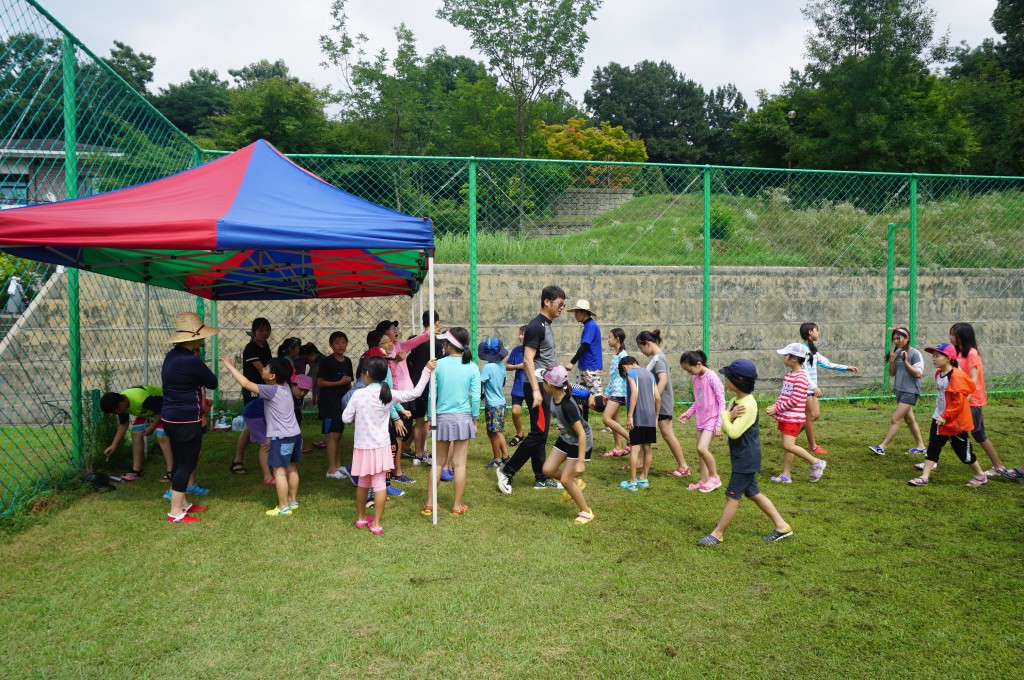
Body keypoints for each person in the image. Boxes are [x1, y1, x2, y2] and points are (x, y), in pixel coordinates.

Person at [696, 359, 793, 546]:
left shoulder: (748, 405)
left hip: (747, 458)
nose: (725, 379)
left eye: (728, 377)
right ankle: (782, 526)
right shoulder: (735, 401)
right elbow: (725, 429)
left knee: (732, 496)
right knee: (753, 493)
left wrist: (725, 415)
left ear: (738, 380)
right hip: (742, 456)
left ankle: (717, 534)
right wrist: (728, 416)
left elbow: (733, 431)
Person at [344, 355, 435, 534]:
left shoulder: (358, 394)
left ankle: (362, 518)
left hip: (362, 447)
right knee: (379, 485)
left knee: (363, 483)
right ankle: (376, 523)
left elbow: (345, 418)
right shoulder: (388, 394)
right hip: (381, 447)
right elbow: (415, 393)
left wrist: (358, 415)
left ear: (367, 374)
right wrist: (426, 370)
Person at [496, 285, 566, 494]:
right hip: (536, 387)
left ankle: (541, 478)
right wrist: (536, 391)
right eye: (559, 303)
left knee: (541, 434)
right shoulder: (536, 326)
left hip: (545, 386)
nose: (562, 307)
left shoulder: (546, 324)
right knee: (538, 433)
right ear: (547, 302)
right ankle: (507, 471)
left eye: (563, 304)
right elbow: (528, 359)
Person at [222, 356, 305, 516]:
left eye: (266, 367)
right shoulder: (286, 386)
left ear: (272, 376)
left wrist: (230, 366)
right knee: (292, 468)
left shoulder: (270, 390)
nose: (263, 369)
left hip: (281, 438)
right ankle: (293, 501)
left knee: (279, 472)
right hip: (296, 435)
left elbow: (246, 384)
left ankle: (283, 507)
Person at [161, 312, 218, 523]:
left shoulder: (172, 356)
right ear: (194, 338)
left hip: (170, 417)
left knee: (179, 461)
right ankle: (176, 511)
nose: (204, 340)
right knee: (187, 462)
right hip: (186, 419)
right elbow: (212, 382)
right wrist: (199, 364)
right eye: (201, 336)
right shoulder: (190, 360)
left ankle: (183, 502)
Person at [908, 343, 988, 488]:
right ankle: (924, 477)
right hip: (939, 418)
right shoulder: (938, 374)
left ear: (948, 358)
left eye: (937, 356)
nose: (934, 359)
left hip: (954, 421)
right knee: (933, 446)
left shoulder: (956, 376)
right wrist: (940, 415)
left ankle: (980, 475)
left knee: (963, 452)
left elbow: (958, 402)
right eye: (933, 356)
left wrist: (945, 416)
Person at [424, 328, 480, 517]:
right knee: (460, 464)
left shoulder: (438, 365)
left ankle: (430, 503)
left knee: (438, 463)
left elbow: (432, 394)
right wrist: (474, 419)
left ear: (448, 345)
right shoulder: (472, 366)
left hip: (441, 418)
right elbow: (477, 397)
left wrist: (430, 417)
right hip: (463, 418)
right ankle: (456, 506)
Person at [378, 319, 435, 484]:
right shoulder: (384, 354)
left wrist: (430, 332)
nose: (396, 330)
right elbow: (387, 379)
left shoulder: (400, 346)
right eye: (391, 328)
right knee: (397, 436)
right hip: (396, 398)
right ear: (382, 336)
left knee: (402, 435)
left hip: (408, 396)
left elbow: (416, 340)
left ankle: (394, 469)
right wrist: (395, 361)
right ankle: (396, 471)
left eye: (396, 327)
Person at [949, 323, 1009, 477]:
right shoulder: (958, 353)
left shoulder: (972, 353)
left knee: (978, 434)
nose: (951, 337)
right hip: (962, 399)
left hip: (972, 401)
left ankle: (999, 467)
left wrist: (965, 399)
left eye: (953, 334)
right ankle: (931, 459)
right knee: (948, 429)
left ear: (963, 336)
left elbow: (974, 380)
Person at [538, 365, 594, 525]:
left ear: (549, 385)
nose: (542, 384)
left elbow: (582, 434)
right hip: (566, 438)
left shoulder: (567, 405)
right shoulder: (554, 396)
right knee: (547, 469)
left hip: (579, 441)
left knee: (565, 479)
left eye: (543, 381)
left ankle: (586, 511)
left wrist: (581, 462)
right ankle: (576, 484)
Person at [766, 343, 827, 484]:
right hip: (786, 416)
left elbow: (794, 400)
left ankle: (816, 462)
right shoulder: (790, 375)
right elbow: (784, 396)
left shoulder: (800, 377)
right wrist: (775, 406)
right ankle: (786, 475)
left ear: (794, 359)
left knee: (788, 446)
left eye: (786, 355)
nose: (784, 357)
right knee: (788, 445)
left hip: (793, 417)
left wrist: (777, 409)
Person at [635, 330, 690, 477]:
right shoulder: (657, 358)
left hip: (662, 403)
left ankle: (683, 466)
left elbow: (663, 380)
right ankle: (639, 462)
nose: (642, 352)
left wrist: (653, 399)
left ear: (648, 344)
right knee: (644, 429)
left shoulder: (659, 359)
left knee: (667, 433)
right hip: (658, 402)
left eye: (641, 348)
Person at [799, 322, 859, 455]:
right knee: (810, 416)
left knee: (815, 415)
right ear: (810, 332)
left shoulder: (812, 350)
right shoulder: (803, 349)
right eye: (817, 330)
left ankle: (790, 436)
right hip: (806, 388)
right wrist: (814, 387)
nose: (818, 333)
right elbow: (802, 371)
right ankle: (813, 446)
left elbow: (827, 364)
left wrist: (846, 367)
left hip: (811, 388)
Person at [869, 327, 926, 456]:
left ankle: (882, 447)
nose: (895, 341)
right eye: (894, 339)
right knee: (910, 420)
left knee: (895, 419)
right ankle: (921, 446)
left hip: (910, 392)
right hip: (900, 391)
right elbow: (891, 373)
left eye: (898, 338)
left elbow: (918, 373)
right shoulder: (897, 352)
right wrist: (892, 360)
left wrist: (905, 361)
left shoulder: (915, 354)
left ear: (907, 339)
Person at [99, 386, 173, 482]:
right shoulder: (121, 403)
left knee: (161, 435)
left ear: (121, 404)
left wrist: (152, 427)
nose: (116, 414)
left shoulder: (141, 399)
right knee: (136, 433)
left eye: (115, 412)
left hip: (166, 407)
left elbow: (162, 409)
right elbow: (123, 424)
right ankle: (136, 470)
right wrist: (114, 445)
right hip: (148, 411)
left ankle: (171, 471)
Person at [678, 350, 725, 492]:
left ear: (698, 364)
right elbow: (698, 401)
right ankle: (703, 480)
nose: (689, 373)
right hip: (701, 419)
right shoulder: (695, 378)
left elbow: (722, 401)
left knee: (702, 448)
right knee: (700, 451)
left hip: (712, 419)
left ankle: (714, 478)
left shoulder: (711, 377)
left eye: (690, 369)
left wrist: (719, 424)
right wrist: (688, 413)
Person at [230, 317, 272, 475]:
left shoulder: (265, 345)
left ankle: (269, 456)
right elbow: (263, 371)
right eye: (261, 330)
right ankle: (237, 460)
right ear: (254, 331)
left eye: (267, 330)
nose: (264, 333)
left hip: (265, 389)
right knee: (251, 423)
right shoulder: (251, 348)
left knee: (266, 421)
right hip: (254, 390)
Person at [406, 311, 446, 466]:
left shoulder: (415, 340)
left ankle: (418, 454)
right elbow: (440, 364)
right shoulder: (435, 342)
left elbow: (411, 360)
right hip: (430, 383)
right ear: (436, 322)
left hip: (416, 382)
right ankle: (425, 454)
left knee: (419, 420)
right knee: (429, 421)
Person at [619, 355, 659, 492]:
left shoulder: (630, 373)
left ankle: (632, 482)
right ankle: (643, 479)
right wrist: (656, 417)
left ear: (624, 367)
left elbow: (634, 393)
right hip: (650, 416)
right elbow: (658, 397)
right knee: (647, 448)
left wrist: (630, 416)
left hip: (638, 415)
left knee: (635, 449)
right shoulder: (649, 374)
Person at [318, 331, 354, 480]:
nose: (341, 345)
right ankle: (331, 469)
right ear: (331, 345)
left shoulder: (347, 361)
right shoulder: (326, 362)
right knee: (333, 435)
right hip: (329, 403)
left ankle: (338, 465)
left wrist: (351, 398)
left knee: (339, 435)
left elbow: (350, 382)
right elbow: (320, 382)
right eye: (337, 343)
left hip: (342, 403)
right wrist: (338, 383)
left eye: (343, 342)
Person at [564, 299, 602, 422]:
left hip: (590, 368)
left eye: (577, 312)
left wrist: (571, 362)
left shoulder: (590, 326)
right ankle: (584, 421)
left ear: (583, 313)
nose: (575, 315)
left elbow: (584, 346)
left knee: (598, 400)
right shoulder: (588, 325)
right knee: (582, 396)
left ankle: (610, 419)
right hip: (585, 367)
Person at [479, 336, 510, 468]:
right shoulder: (501, 366)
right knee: (494, 431)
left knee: (496, 432)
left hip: (492, 405)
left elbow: (481, 382)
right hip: (501, 402)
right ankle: (502, 456)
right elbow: (503, 382)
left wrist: (480, 395)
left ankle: (500, 458)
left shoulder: (487, 368)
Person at [599, 327, 630, 457]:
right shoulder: (616, 355)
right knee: (614, 420)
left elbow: (627, 375)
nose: (608, 339)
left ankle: (631, 439)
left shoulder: (623, 356)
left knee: (606, 418)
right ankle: (617, 447)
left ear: (617, 339)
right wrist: (607, 393)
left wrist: (628, 394)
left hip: (619, 392)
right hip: (614, 392)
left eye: (610, 337)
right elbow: (613, 377)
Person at [505, 326, 528, 448]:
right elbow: (507, 366)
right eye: (520, 334)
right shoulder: (516, 350)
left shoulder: (536, 350)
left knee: (535, 413)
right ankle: (520, 434)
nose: (520, 336)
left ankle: (536, 436)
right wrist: (518, 366)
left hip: (531, 387)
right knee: (515, 412)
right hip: (518, 387)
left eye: (523, 334)